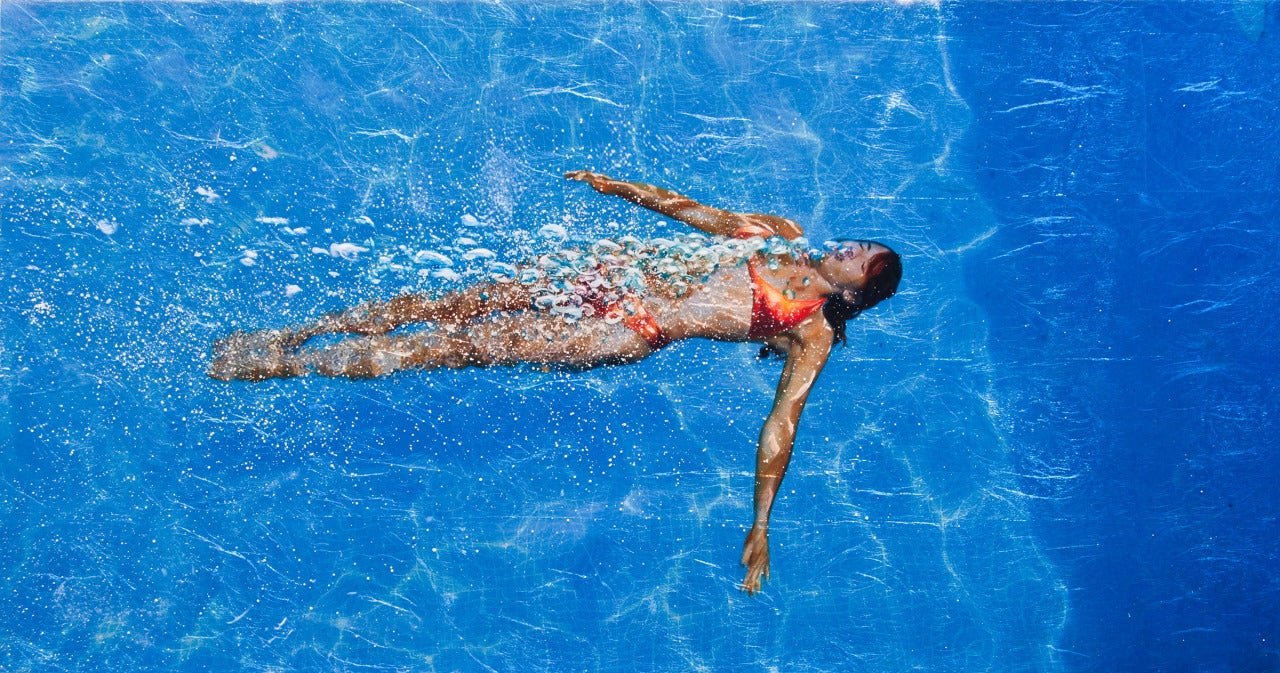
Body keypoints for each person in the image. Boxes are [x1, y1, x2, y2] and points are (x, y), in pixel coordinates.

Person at [209, 171, 902, 595]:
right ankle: (294, 332)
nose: (849, 247)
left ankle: (284, 364)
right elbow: (697, 215)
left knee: (455, 348)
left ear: (856, 293)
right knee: (456, 301)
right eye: (859, 242)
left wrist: (760, 523)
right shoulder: (779, 234)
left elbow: (781, 425)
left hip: (627, 329)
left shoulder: (809, 332)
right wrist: (620, 188)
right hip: (609, 277)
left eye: (860, 259)